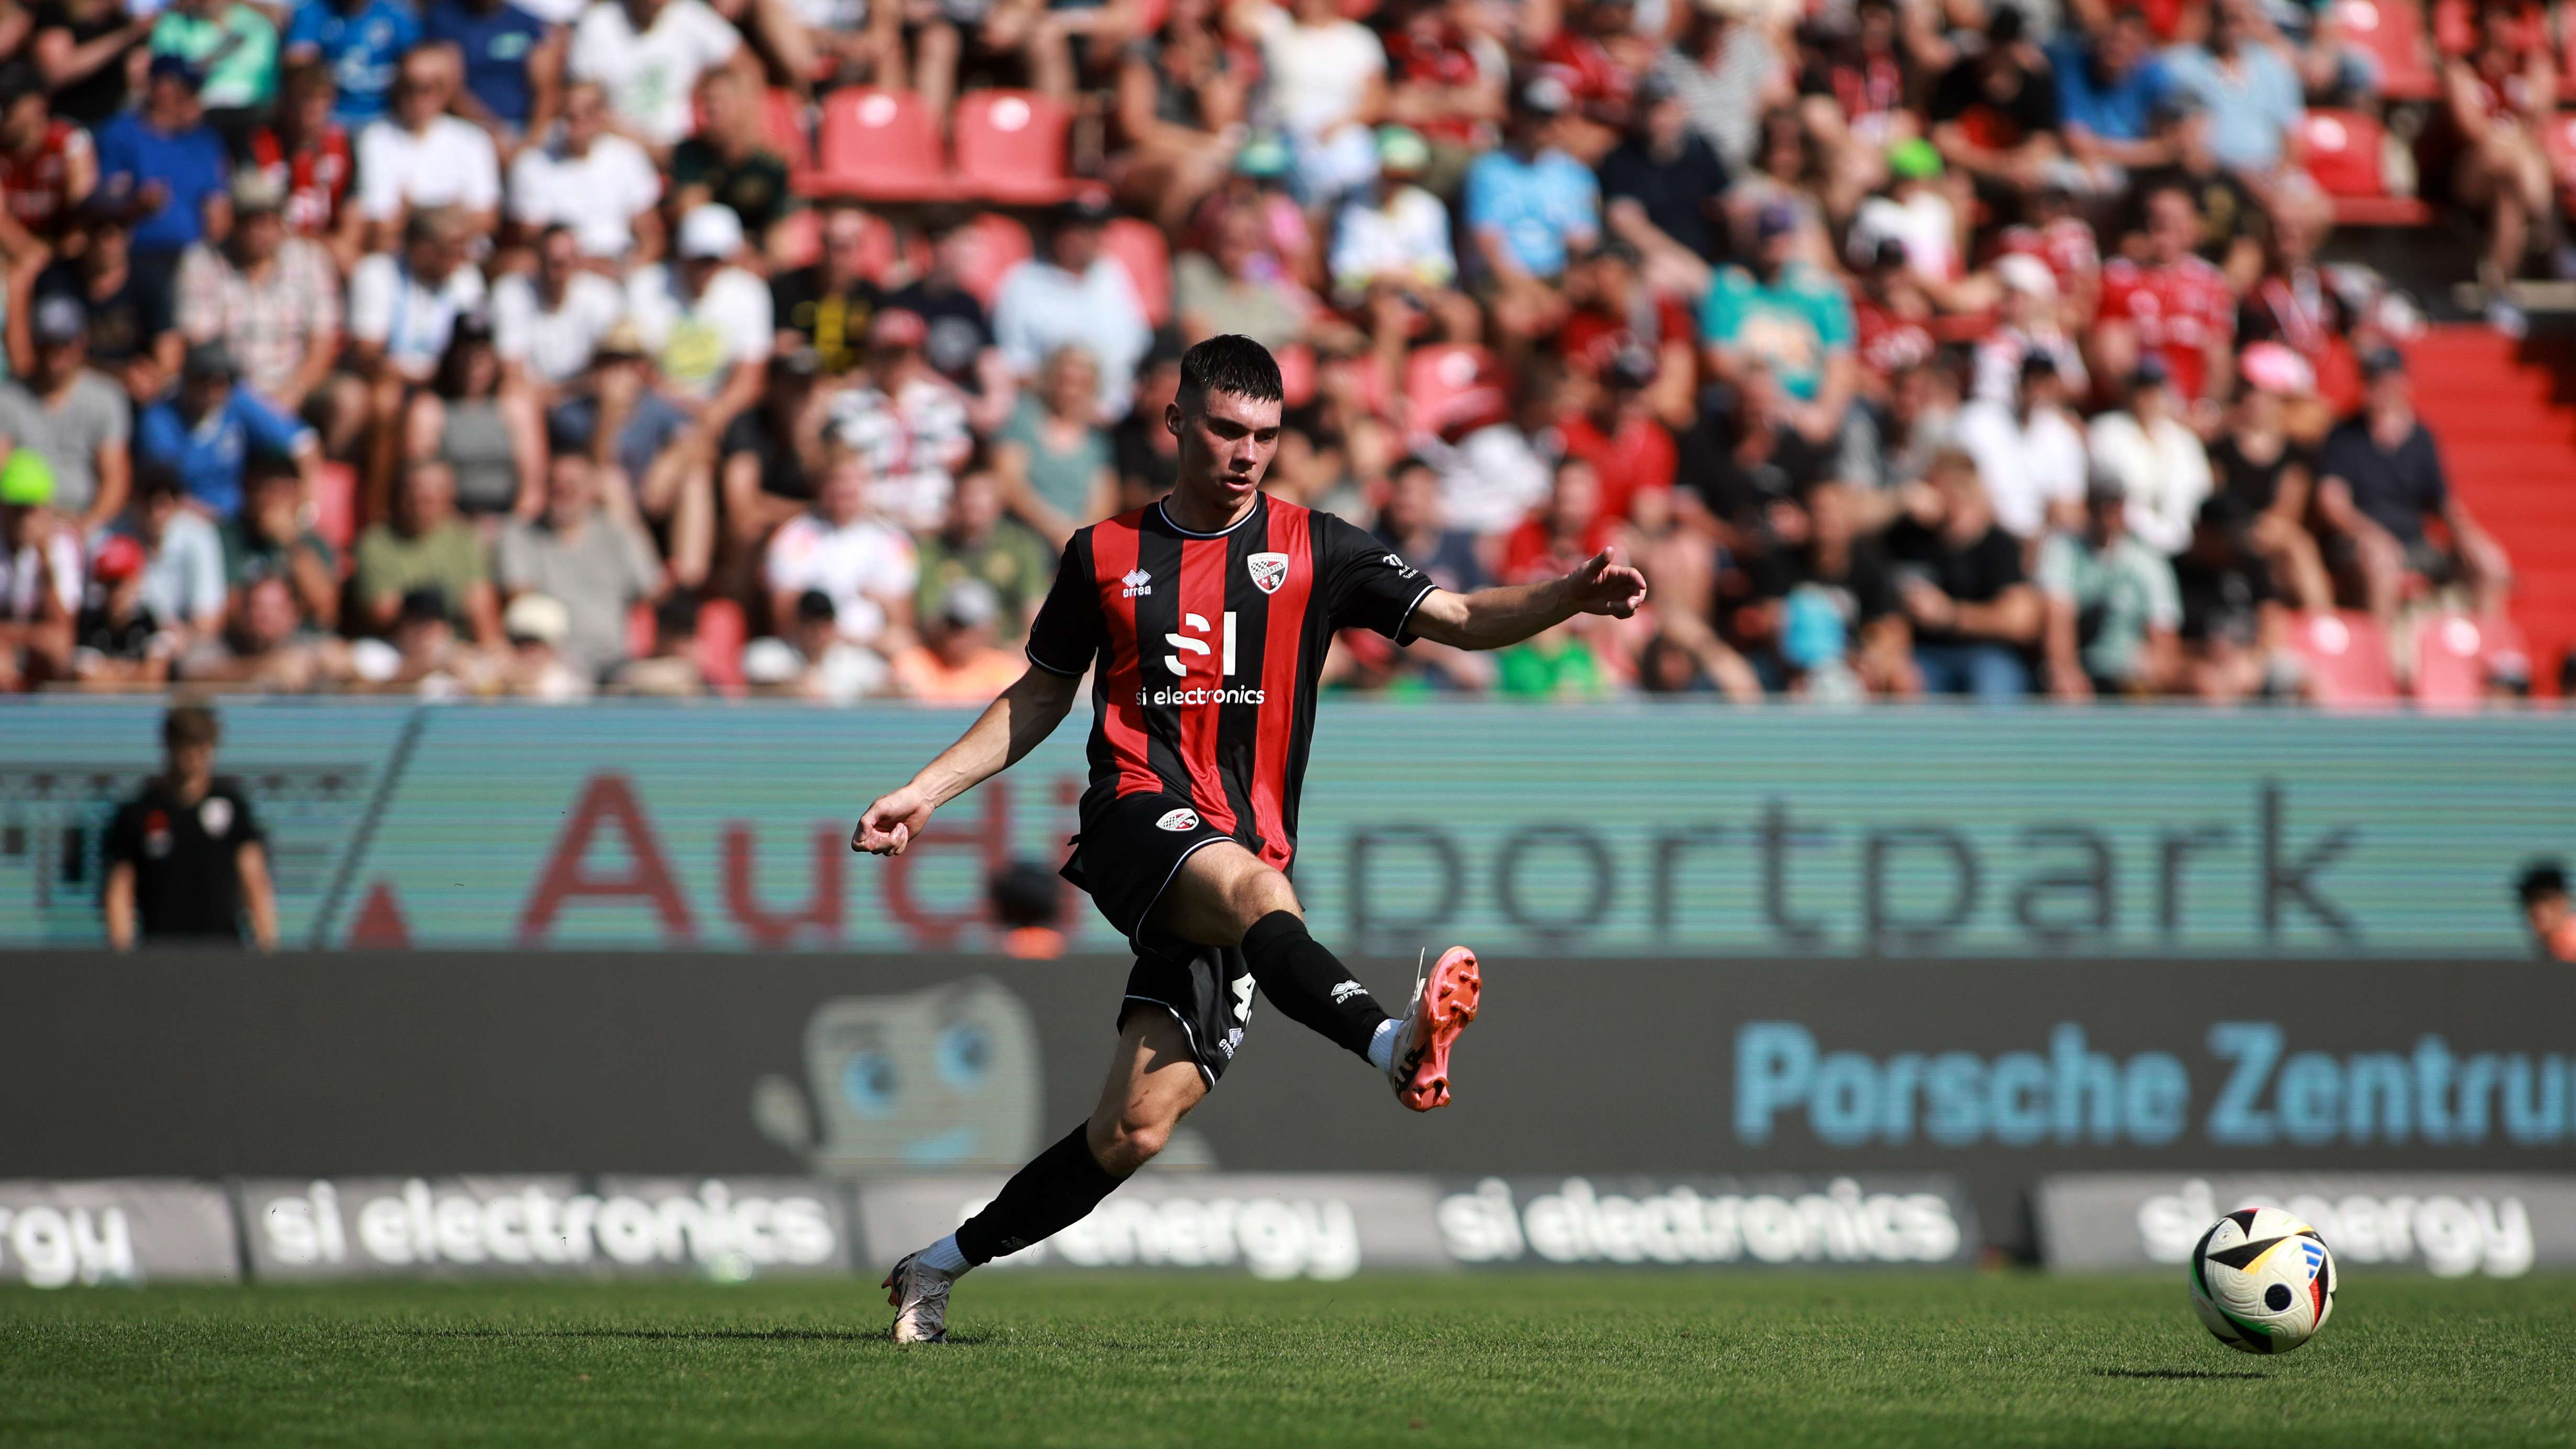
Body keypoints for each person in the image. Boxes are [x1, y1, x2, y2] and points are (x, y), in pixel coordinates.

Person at [859, 334, 1647, 1342]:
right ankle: (1388, 1042)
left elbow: (1456, 614)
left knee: (1134, 1127)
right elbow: (1043, 693)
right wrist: (926, 791)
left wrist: (1566, 599)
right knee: (1260, 898)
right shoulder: (1102, 554)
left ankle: (934, 1265)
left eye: (1265, 436)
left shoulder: (1319, 546)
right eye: (1227, 429)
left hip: (1241, 845)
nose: (1245, 453)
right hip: (1137, 818)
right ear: (1177, 421)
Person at [2316, 348, 2513, 625]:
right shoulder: (2344, 436)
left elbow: (2443, 502)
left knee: (2490, 564)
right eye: (2374, 382)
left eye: (2387, 381)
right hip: (2361, 545)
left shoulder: (2422, 438)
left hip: (2415, 544)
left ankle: (2488, 658)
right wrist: (2371, 535)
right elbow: (2331, 502)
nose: (2381, 390)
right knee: (2380, 562)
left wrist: (2469, 536)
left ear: (2403, 383)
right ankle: (2379, 661)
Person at [102, 704, 277, 950]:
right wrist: (121, 955)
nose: (194, 753)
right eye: (186, 742)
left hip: (223, 952)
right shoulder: (139, 812)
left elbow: (255, 880)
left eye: (202, 743)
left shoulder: (232, 806)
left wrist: (266, 947)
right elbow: (120, 889)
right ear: (169, 744)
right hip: (159, 953)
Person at [174, 170, 345, 420]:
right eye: (250, 220)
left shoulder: (310, 259)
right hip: (227, 389)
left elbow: (323, 342)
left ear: (281, 222)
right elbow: (202, 345)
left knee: (349, 398)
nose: (259, 230)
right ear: (234, 222)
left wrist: (294, 391)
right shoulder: (202, 261)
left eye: (268, 220)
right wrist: (254, 405)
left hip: (296, 386)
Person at [1884, 447, 2042, 700]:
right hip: (1924, 654)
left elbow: (2023, 621)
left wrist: (1951, 615)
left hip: (1986, 654)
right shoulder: (1909, 537)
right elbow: (1844, 520)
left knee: (1994, 684)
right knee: (1905, 684)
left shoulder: (1998, 545)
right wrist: (1896, 501)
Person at [497, 451, 664, 680]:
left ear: (593, 489)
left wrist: (623, 505)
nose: (564, 491)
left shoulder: (619, 534)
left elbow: (654, 590)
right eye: (556, 484)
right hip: (554, 663)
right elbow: (520, 599)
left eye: (573, 484)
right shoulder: (521, 534)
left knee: (669, 684)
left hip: (617, 663)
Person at [992, 192, 1152, 420]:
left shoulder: (1113, 273)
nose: (1093, 240)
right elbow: (1015, 364)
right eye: (1082, 231)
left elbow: (1137, 343)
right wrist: (1071, 401)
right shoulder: (1022, 281)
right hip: (1045, 412)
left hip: (1116, 410)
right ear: (1058, 235)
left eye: (1098, 231)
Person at [136, 343, 326, 520]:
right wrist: (219, 524)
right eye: (202, 380)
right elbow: (163, 494)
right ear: (187, 380)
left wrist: (304, 508)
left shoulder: (238, 401)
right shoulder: (160, 419)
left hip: (239, 518)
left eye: (219, 382)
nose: (210, 390)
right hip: (184, 520)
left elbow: (303, 444)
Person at [2037, 476, 2182, 699]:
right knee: (2067, 694)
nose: (2106, 514)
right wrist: (2066, 671)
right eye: (2100, 505)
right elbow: (2058, 616)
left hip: (2129, 671)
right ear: (2089, 507)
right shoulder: (2064, 548)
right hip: (2084, 668)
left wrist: (2152, 665)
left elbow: (2163, 634)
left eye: (2113, 505)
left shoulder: (2148, 560)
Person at [0, 294, 131, 534]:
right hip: (24, 517)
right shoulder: (9, 398)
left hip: (86, 520)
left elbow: (115, 479)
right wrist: (25, 521)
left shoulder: (106, 397)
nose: (55, 352)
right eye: (47, 342)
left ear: (81, 343)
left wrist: (86, 526)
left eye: (64, 341)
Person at [357, 48, 504, 247]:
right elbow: (381, 223)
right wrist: (452, 211)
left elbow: (487, 219)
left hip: (461, 255)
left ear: (444, 92)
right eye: (409, 87)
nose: (417, 98)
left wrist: (412, 211)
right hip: (402, 254)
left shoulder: (473, 140)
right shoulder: (375, 139)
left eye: (426, 88)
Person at [505, 79, 663, 262]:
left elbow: (650, 235)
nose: (578, 121)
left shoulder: (629, 157)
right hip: (561, 271)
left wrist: (631, 268)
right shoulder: (531, 164)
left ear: (604, 115)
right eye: (570, 114)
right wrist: (587, 265)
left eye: (588, 112)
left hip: (619, 263)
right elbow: (532, 239)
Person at [354, 458, 503, 641]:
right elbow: (382, 613)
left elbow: (480, 601)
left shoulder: (464, 538)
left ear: (449, 497)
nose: (420, 502)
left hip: (458, 647)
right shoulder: (375, 543)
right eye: (414, 493)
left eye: (430, 496)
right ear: (400, 496)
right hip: (399, 647)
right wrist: (449, 602)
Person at [283, 0, 424, 127]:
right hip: (332, 120)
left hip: (384, 119)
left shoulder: (396, 12)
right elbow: (297, 60)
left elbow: (420, 62)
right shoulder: (315, 10)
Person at [887, 577, 1025, 702]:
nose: (956, 633)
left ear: (986, 631)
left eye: (965, 625)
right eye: (951, 623)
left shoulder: (1004, 671)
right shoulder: (915, 664)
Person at [2514, 860, 2576, 962]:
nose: (2538, 909)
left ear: (2564, 900)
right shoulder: (2547, 948)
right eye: (2531, 900)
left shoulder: (2571, 947)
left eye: (2546, 899)